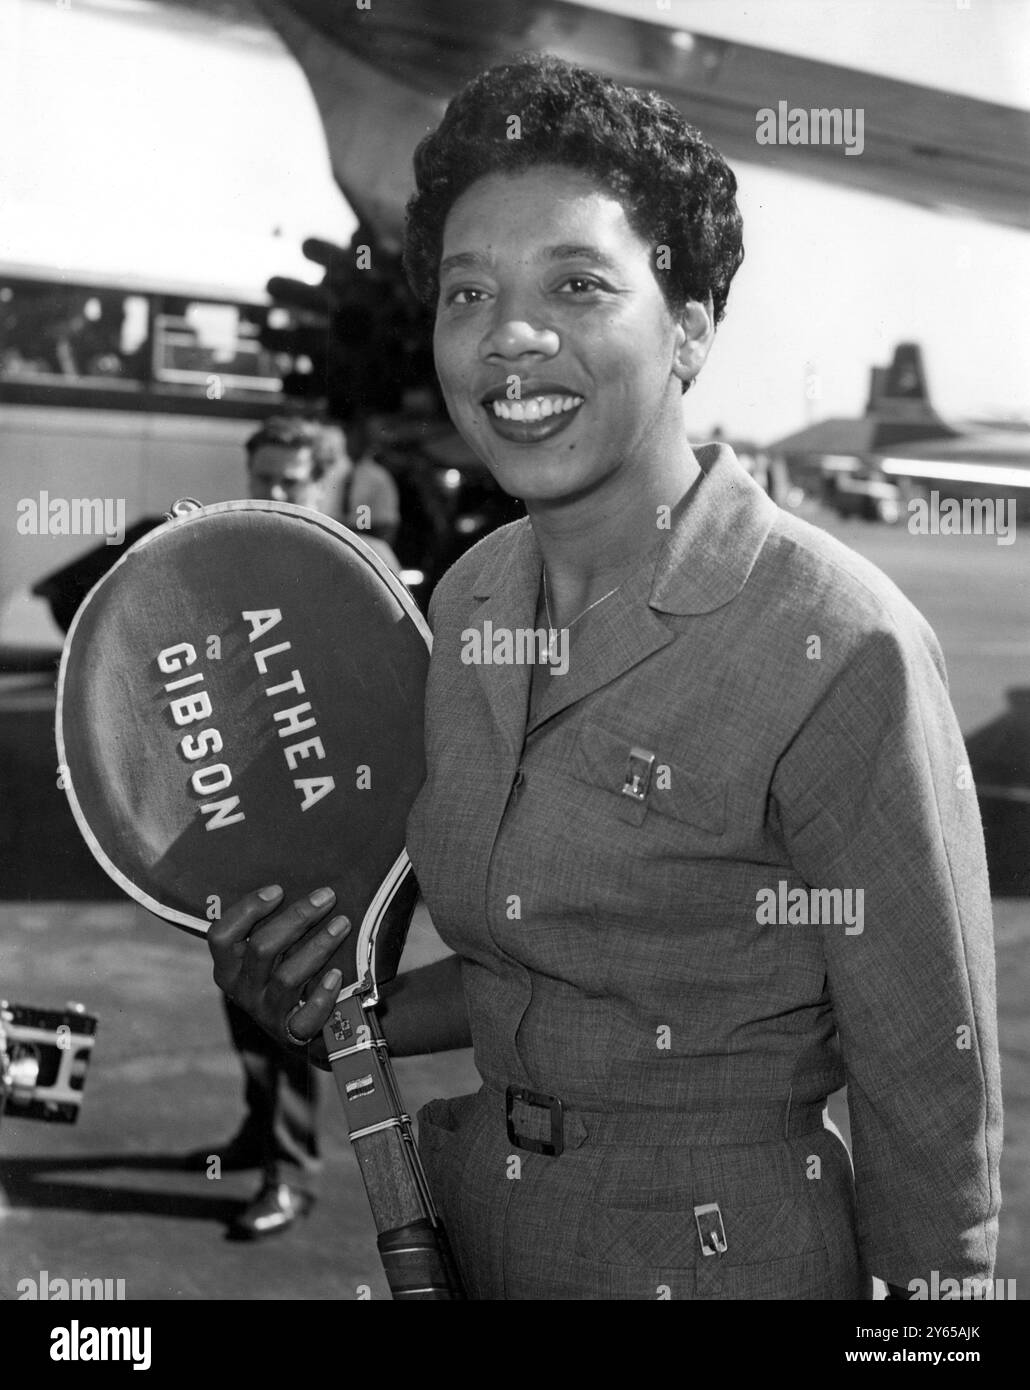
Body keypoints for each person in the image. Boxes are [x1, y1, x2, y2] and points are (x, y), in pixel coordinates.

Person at [207, 57, 1002, 1297]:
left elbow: (930, 1097)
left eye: (577, 284)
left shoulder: (838, 643)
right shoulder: (470, 598)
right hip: (473, 1227)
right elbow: (526, 974)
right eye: (468, 291)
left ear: (688, 325)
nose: (511, 336)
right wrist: (327, 1004)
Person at [189, 415, 329, 1240]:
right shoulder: (222, 559)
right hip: (232, 823)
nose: (277, 493)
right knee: (235, 988)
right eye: (266, 477)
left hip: (312, 835)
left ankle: (292, 1176)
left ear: (320, 481)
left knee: (291, 1004)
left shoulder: (348, 570)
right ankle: (254, 1135)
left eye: (294, 479)